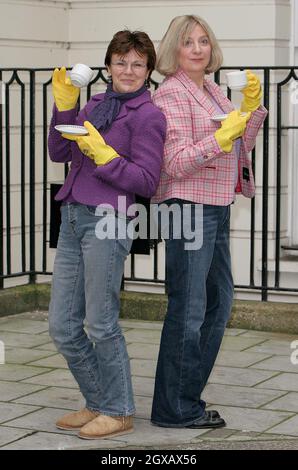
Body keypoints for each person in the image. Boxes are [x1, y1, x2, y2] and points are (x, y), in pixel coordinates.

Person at [150, 15, 268, 429]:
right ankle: (174, 408)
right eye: (188, 42)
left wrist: (250, 112)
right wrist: (220, 137)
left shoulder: (213, 90)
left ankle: (185, 398)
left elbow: (239, 147)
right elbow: (175, 161)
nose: (198, 49)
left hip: (215, 205)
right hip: (188, 207)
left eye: (203, 41)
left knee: (218, 303)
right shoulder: (171, 95)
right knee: (190, 307)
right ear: (174, 50)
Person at [48, 30, 166, 439]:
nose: (128, 70)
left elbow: (147, 181)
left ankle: (118, 410)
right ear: (108, 65)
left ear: (148, 69)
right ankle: (99, 401)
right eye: (121, 61)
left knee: (100, 323)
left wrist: (107, 158)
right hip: (73, 215)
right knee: (62, 326)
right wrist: (64, 107)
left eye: (137, 63)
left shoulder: (150, 116)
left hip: (109, 220)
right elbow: (60, 152)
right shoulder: (96, 104)